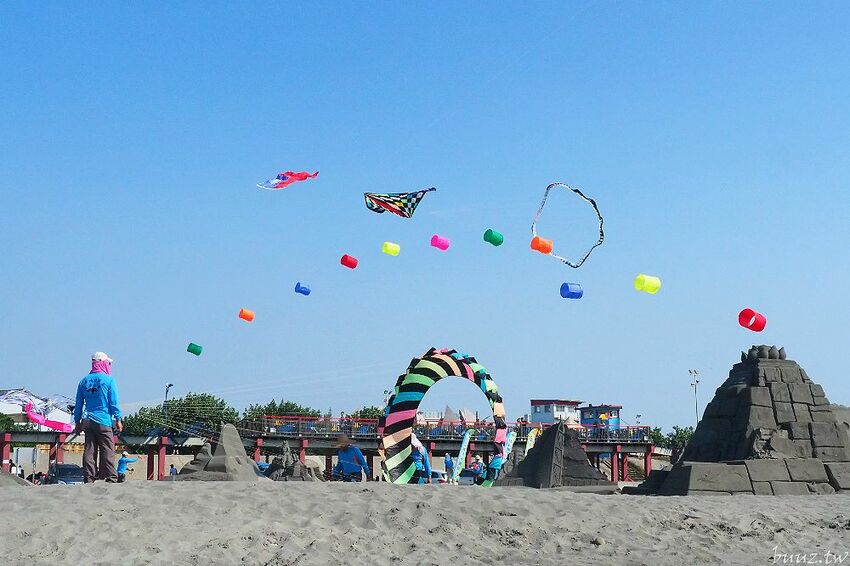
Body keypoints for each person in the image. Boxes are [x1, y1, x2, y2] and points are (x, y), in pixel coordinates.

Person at [74, 352, 123, 483]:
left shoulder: (83, 381)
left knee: (89, 449)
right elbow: (113, 402)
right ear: (103, 363)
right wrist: (118, 419)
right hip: (103, 420)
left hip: (87, 420)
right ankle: (111, 477)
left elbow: (78, 404)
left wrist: (77, 422)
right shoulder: (109, 380)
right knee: (107, 448)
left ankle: (89, 477)